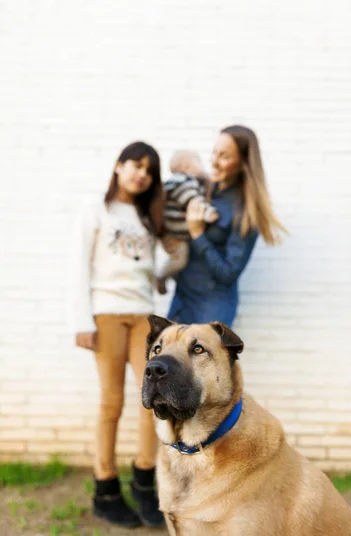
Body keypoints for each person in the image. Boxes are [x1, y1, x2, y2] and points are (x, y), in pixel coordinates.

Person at [68, 142, 165, 529]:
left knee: (152, 401)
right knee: (112, 403)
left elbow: (155, 269)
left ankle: (144, 482)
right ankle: (105, 489)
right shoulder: (96, 208)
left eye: (149, 170)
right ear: (118, 167)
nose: (141, 174)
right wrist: (81, 321)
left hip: (144, 314)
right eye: (136, 165)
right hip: (106, 314)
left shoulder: (147, 215)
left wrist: (180, 249)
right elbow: (79, 263)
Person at [168, 125, 286, 327]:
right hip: (182, 299)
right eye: (214, 152)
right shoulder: (200, 188)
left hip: (211, 307)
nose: (214, 161)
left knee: (202, 360)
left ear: (243, 164)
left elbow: (229, 273)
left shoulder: (246, 211)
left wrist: (197, 234)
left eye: (225, 156)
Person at [156, 149, 219, 295]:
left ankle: (173, 276)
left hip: (174, 230)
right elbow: (193, 201)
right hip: (177, 235)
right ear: (187, 168)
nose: (203, 166)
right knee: (180, 260)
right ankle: (161, 276)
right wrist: (209, 213)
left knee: (180, 261)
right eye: (199, 162)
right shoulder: (185, 183)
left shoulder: (176, 182)